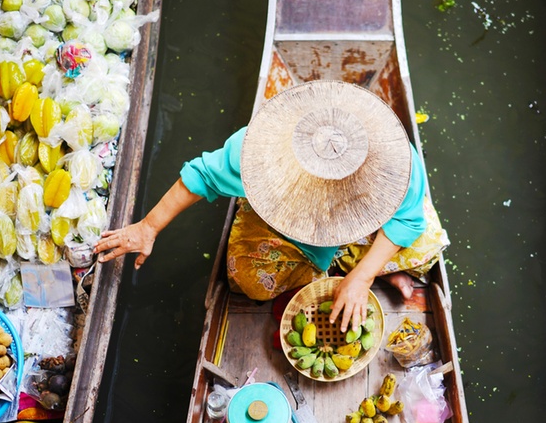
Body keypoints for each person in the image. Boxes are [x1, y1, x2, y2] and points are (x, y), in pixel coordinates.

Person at [93, 80, 449, 333]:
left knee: (427, 242)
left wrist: (362, 276)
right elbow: (201, 175)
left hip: (364, 225)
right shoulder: (257, 153)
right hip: (290, 227)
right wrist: (149, 226)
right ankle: (354, 265)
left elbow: (407, 220)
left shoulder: (395, 160)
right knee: (251, 282)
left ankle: (364, 266)